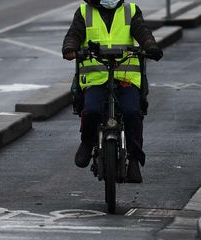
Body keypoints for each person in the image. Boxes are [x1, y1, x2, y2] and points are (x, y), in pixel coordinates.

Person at [62, 0, 163, 183]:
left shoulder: (129, 10)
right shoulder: (85, 12)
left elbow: (142, 32)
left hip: (126, 79)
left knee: (132, 112)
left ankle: (134, 159)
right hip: (96, 79)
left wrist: (150, 46)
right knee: (91, 110)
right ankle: (87, 142)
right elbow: (74, 35)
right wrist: (71, 48)